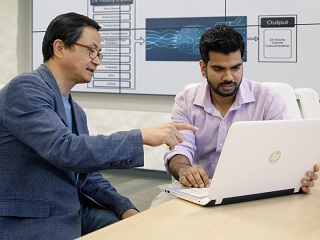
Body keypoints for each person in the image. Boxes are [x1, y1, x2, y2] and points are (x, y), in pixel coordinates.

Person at [0, 12, 197, 239]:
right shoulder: (25, 88)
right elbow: (65, 150)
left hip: (72, 210)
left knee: (137, 228)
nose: (97, 60)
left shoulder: (77, 111)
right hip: (32, 218)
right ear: (59, 47)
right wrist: (139, 135)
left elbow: (86, 174)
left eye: (99, 53)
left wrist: (126, 208)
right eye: (91, 50)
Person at [151, 24, 318, 207]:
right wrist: (184, 169)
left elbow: (286, 150)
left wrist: (297, 175)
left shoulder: (268, 100)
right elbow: (180, 148)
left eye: (236, 68)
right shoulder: (186, 101)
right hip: (199, 192)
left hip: (254, 191)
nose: (229, 77)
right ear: (203, 68)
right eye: (219, 69)